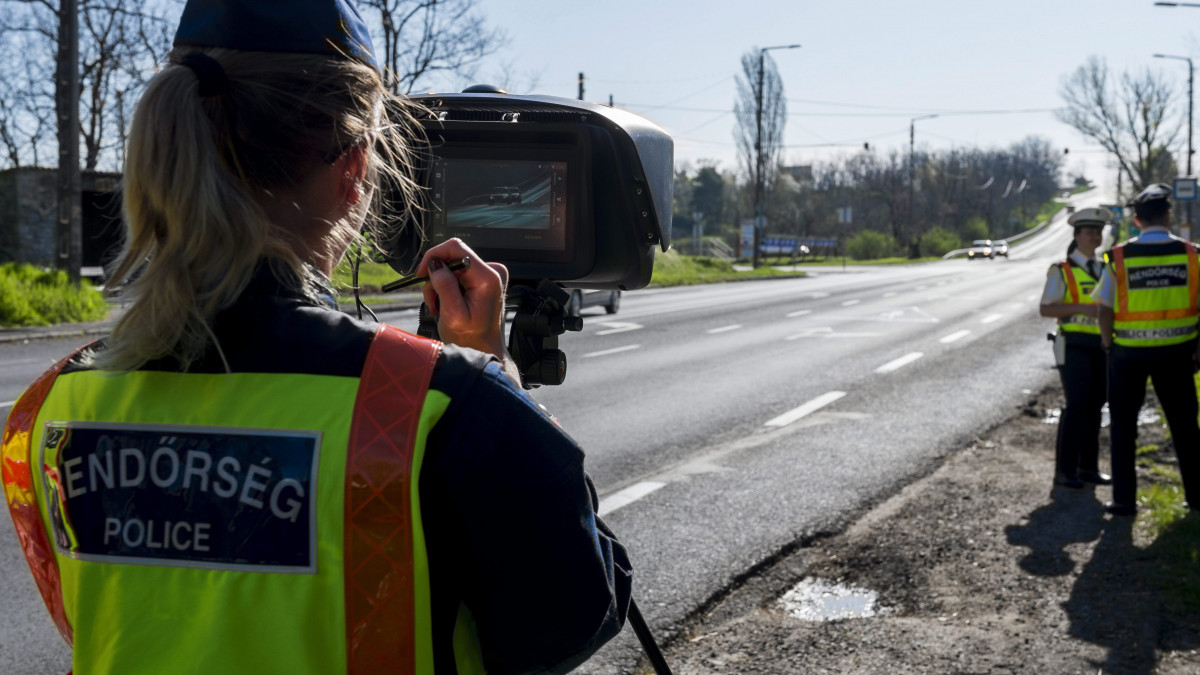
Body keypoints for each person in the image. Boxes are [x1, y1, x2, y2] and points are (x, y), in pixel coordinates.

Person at [0, 1, 631, 673]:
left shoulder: (47, 412)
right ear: (354, 169)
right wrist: (490, 372)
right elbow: (570, 618)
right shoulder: (436, 408)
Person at [1091, 183, 1200, 517]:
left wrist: (1108, 343)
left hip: (1127, 356)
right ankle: (1197, 498)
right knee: (1185, 427)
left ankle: (1124, 501)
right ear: (1168, 216)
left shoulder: (1119, 256)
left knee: (1123, 427)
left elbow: (1104, 309)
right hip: (1179, 354)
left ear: (1136, 220)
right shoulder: (1192, 254)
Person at [1039, 207, 1112, 490]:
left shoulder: (1106, 268)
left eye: (1098, 231)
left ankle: (1088, 468)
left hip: (1101, 344)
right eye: (1089, 231)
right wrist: (1082, 307)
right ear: (1077, 236)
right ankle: (1065, 470)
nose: (1094, 236)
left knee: (1096, 406)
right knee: (1077, 405)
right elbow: (1046, 308)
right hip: (1073, 344)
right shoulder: (1062, 270)